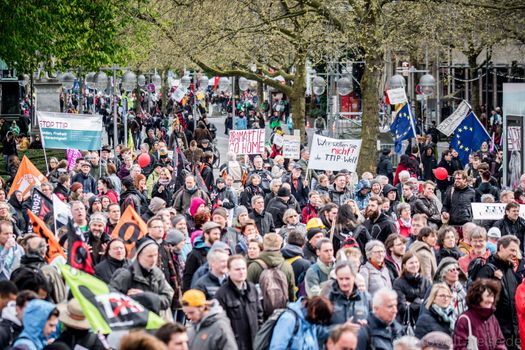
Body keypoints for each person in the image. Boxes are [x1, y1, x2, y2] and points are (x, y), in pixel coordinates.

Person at [477, 235, 522, 349]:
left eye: (516, 251)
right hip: (493, 333)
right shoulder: (488, 269)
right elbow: (479, 301)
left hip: (512, 335)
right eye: (512, 250)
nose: (515, 254)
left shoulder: (512, 272)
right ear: (501, 247)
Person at [110, 239, 174, 315]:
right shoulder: (126, 275)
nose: (153, 260)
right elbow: (110, 300)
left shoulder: (157, 273)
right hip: (133, 322)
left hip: (153, 321)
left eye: (155, 255)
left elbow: (168, 298)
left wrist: (147, 297)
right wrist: (129, 299)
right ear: (139, 256)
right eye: (149, 256)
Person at [215, 255, 262, 350]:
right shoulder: (222, 294)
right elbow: (220, 325)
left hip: (254, 343)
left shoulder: (252, 289)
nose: (241, 272)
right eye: (237, 269)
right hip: (235, 345)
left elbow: (259, 314)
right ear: (228, 271)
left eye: (243, 269)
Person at [453, 278, 507, 350]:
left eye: (492, 296)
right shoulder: (465, 319)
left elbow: (500, 342)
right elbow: (459, 346)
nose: (491, 299)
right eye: (488, 296)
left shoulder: (492, 318)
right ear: (478, 297)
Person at [247, 233, 296, 308]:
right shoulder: (286, 266)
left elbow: (248, 291)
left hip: (260, 310)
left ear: (264, 245)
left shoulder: (254, 266)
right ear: (280, 245)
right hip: (282, 310)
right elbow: (291, 292)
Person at [393, 251, 431, 327]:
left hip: (424, 321)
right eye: (411, 263)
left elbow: (430, 303)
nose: (414, 265)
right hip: (407, 323)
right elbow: (402, 308)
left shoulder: (425, 280)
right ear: (404, 265)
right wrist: (421, 301)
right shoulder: (398, 283)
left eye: (416, 262)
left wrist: (412, 304)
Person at [327, 261, 371, 325]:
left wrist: (367, 326)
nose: (344, 283)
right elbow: (319, 330)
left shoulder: (366, 298)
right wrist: (341, 329)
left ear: (354, 277)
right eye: (341, 279)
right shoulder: (328, 298)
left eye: (347, 279)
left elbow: (375, 325)